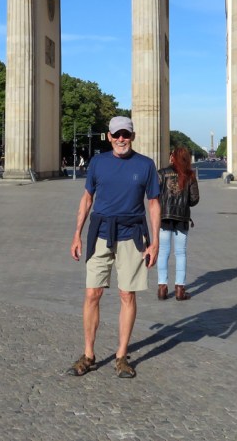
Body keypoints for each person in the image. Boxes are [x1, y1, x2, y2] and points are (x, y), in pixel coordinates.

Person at [69, 116, 160, 379]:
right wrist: (77, 234)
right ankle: (88, 354)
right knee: (92, 294)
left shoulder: (145, 165)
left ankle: (121, 356)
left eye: (126, 134)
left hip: (132, 234)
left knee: (127, 295)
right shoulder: (98, 163)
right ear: (108, 136)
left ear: (133, 136)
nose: (121, 139)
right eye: (116, 134)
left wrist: (154, 242)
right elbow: (87, 199)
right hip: (100, 233)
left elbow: (153, 203)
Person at [157, 145, 200, 301]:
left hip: (164, 217)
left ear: (172, 157)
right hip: (182, 219)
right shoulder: (190, 175)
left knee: (163, 252)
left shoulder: (161, 174)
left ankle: (162, 287)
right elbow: (194, 200)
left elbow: (154, 194)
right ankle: (180, 289)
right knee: (180, 253)